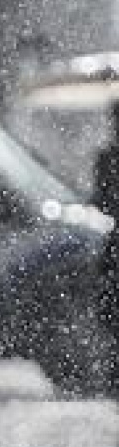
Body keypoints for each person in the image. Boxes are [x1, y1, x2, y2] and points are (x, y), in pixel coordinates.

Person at [92, 103, 119, 395]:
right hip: (114, 250)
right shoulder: (106, 158)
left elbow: (100, 201)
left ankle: (114, 375)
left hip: (114, 248)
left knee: (112, 317)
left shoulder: (106, 158)